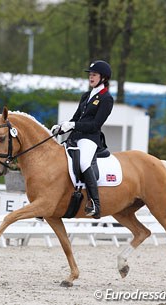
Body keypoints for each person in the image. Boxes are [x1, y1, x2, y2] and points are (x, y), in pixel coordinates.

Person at [52, 60, 114, 219]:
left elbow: (95, 124)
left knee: (84, 162)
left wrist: (73, 125)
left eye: (94, 74)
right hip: (76, 137)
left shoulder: (106, 98)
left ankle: (95, 203)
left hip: (90, 138)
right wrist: (62, 127)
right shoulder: (86, 96)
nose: (91, 77)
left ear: (103, 78)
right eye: (90, 75)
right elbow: (76, 118)